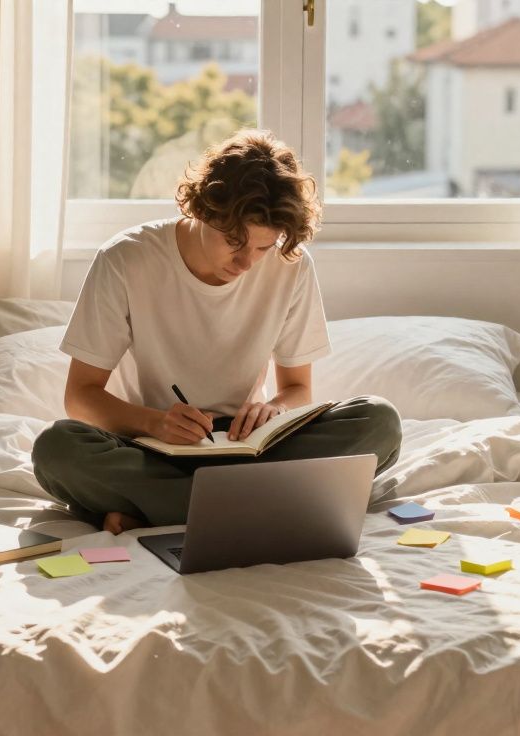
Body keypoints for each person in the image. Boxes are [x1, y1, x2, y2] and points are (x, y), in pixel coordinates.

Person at [33, 129, 402, 533]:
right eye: (234, 242)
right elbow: (80, 396)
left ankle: (160, 510)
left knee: (379, 421)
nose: (247, 263)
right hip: (150, 447)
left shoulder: (291, 265)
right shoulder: (125, 259)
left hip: (253, 448)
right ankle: (268, 505)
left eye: (263, 248)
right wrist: (155, 423)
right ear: (202, 209)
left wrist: (275, 409)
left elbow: (298, 388)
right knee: (57, 449)